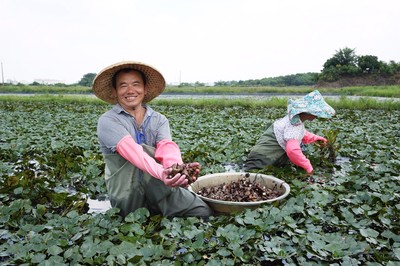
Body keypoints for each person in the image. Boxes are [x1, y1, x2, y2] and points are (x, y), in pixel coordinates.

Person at [92, 61, 213, 218]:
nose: (130, 91)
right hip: (127, 195)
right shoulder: (108, 121)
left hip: (161, 188)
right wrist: (161, 172)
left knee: (202, 211)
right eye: (123, 86)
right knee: (132, 226)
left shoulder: (159, 120)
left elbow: (167, 148)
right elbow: (133, 151)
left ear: (145, 89)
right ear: (115, 91)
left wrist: (177, 171)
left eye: (136, 84)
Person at [244, 90, 335, 175]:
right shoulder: (293, 126)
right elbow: (292, 151)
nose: (317, 115)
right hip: (261, 160)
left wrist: (316, 138)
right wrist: (308, 166)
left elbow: (301, 134)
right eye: (316, 112)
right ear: (308, 112)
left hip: (262, 157)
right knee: (253, 178)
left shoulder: (294, 121)